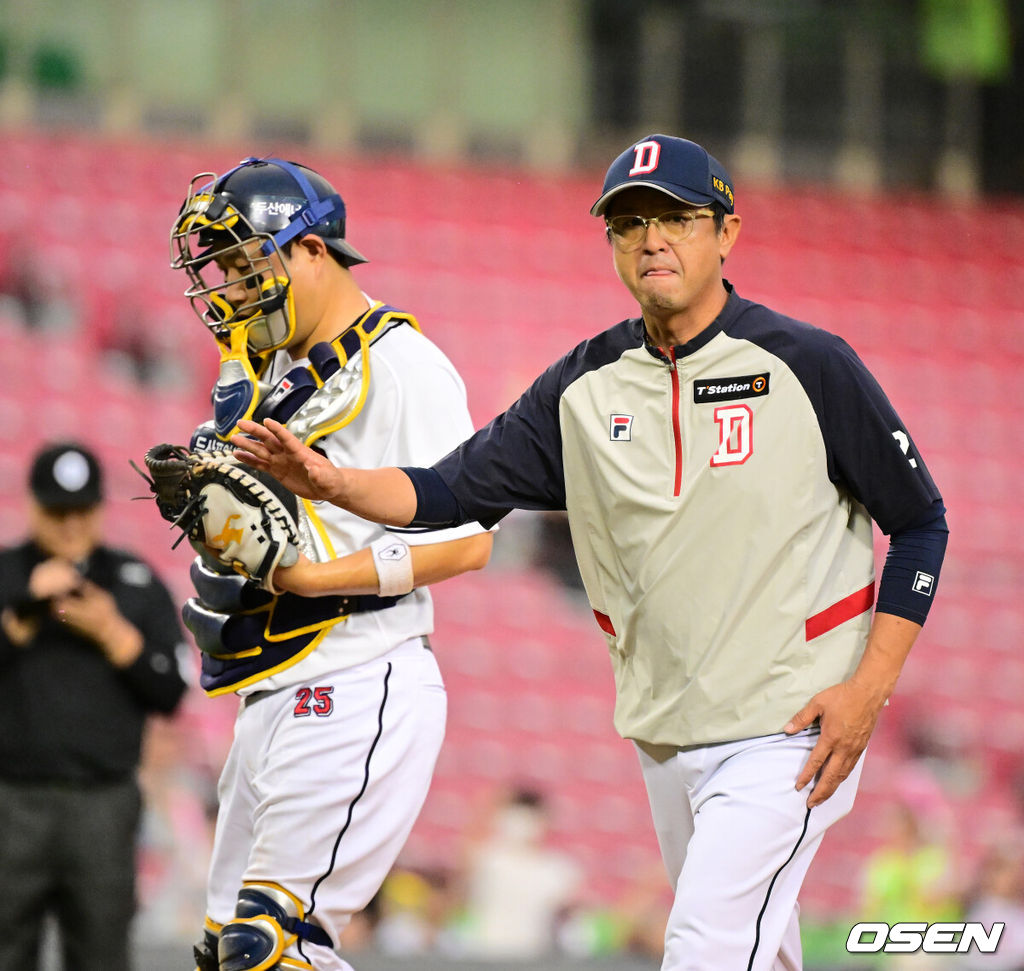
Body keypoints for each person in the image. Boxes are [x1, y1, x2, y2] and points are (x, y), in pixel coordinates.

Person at [232, 134, 949, 970]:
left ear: (727, 232)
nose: (652, 238)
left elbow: (922, 523)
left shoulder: (809, 365)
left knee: (705, 948)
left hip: (786, 730)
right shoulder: (582, 385)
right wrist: (328, 480)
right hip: (667, 739)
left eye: (677, 218)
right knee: (758, 950)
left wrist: (869, 690)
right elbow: (446, 491)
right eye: (629, 222)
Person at [166, 156, 493, 971]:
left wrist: (310, 575)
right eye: (227, 271)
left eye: (251, 264)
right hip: (270, 690)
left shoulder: (405, 365)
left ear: (312, 248)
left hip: (359, 675)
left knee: (270, 949)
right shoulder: (265, 368)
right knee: (222, 957)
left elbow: (471, 538)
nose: (237, 288)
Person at [0, 441, 189, 971]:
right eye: (56, 511)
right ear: (33, 507)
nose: (69, 526)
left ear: (101, 509)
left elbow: (172, 690)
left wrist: (115, 635)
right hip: (11, 801)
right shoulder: (7, 576)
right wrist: (21, 617)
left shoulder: (134, 582)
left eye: (81, 511)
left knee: (102, 954)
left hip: (103, 806)